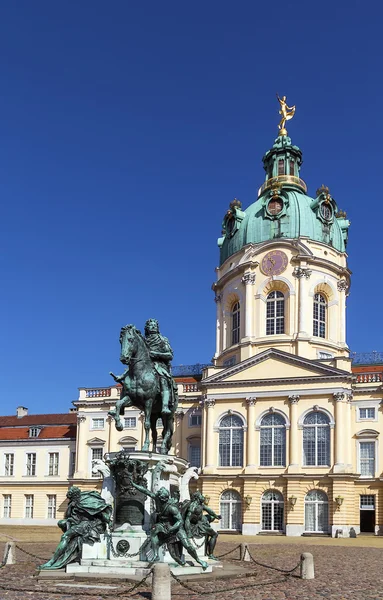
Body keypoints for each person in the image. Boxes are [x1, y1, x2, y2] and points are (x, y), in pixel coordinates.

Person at [129, 478, 208, 570]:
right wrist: (134, 485)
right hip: (163, 525)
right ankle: (155, 554)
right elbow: (146, 491)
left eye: (161, 498)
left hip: (176, 527)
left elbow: (180, 521)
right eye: (158, 497)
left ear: (165, 498)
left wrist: (172, 529)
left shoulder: (172, 508)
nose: (159, 499)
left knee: (187, 546)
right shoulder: (157, 499)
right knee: (154, 532)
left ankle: (198, 560)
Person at [39, 486, 112, 570]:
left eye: (72, 498)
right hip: (79, 523)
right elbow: (69, 515)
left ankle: (52, 561)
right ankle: (57, 557)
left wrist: (108, 521)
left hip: (88, 524)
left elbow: (101, 512)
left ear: (75, 496)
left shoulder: (87, 501)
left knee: (65, 536)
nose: (71, 501)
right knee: (61, 523)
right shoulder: (74, 502)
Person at [144, 318, 178, 415]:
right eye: (151, 325)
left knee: (163, 380)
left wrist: (157, 354)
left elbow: (170, 355)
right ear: (147, 328)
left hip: (160, 366)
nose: (153, 326)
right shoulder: (142, 340)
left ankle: (165, 406)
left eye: (155, 325)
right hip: (145, 366)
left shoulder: (163, 340)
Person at [183, 491, 221, 559]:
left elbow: (209, 511)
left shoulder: (200, 505)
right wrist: (188, 532)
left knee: (214, 533)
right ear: (197, 498)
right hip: (194, 526)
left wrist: (216, 516)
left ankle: (210, 554)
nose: (203, 497)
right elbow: (187, 519)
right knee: (214, 534)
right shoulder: (193, 506)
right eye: (201, 495)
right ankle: (210, 554)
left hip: (199, 523)